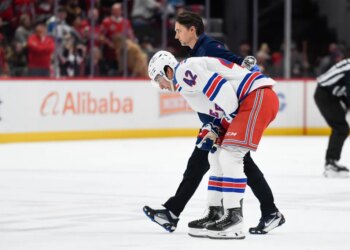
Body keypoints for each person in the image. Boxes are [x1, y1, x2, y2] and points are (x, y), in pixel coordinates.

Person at [143, 11, 285, 235]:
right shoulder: (184, 80)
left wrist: (228, 119)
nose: (160, 86)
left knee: (231, 155)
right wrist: (214, 128)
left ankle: (235, 216)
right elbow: (216, 103)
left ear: (167, 70)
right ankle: (219, 211)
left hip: (252, 98)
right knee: (217, 155)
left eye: (158, 79)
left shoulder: (186, 69)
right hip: (244, 101)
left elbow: (224, 90)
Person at [314, 58, 350, 178]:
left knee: (340, 128)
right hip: (325, 95)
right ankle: (331, 163)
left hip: (329, 94)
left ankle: (331, 161)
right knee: (341, 128)